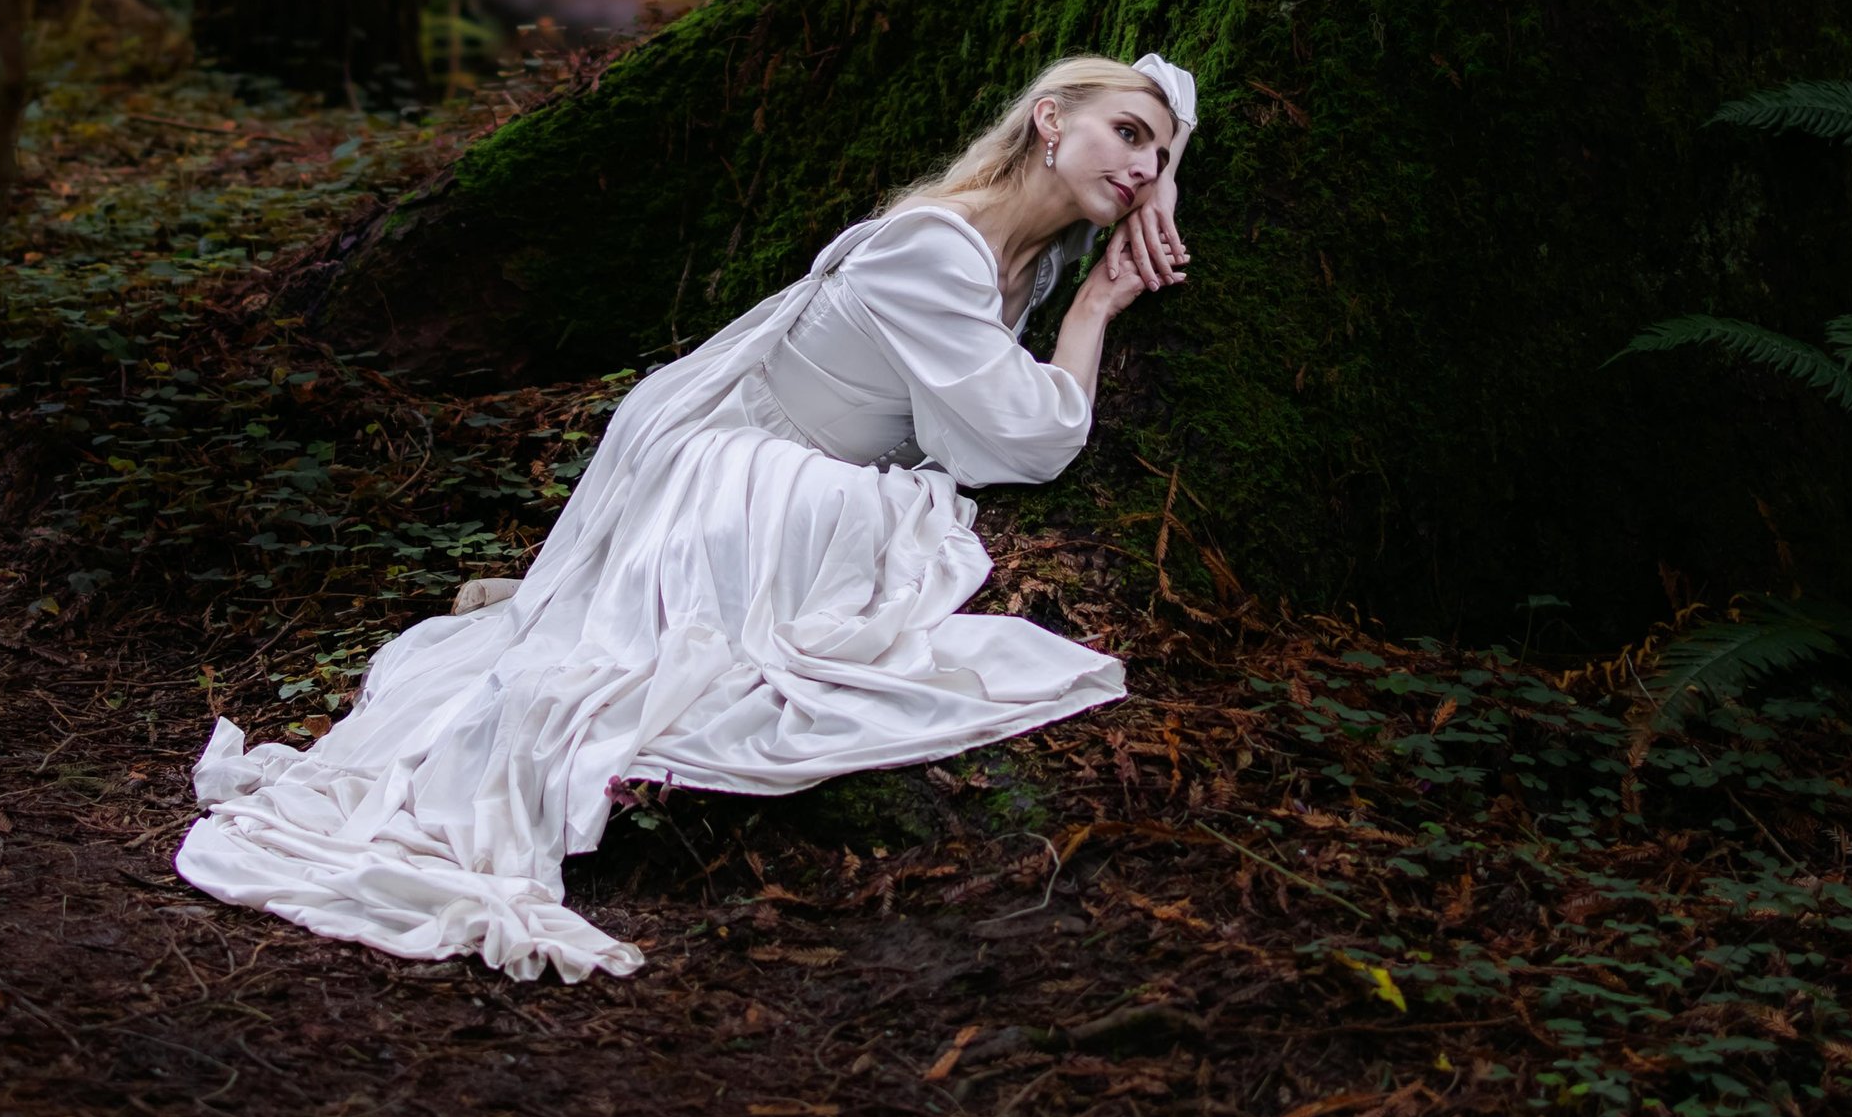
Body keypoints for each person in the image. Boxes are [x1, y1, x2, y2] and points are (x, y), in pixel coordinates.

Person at [175, 51, 1197, 985]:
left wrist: (1169, 175)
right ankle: (576, 604)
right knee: (635, 669)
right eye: (1126, 134)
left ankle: (561, 596)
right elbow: (1034, 438)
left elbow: (1173, 94)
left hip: (790, 457)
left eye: (1158, 151)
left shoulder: (1029, 257)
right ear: (1049, 119)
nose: (1144, 165)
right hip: (739, 469)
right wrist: (1095, 310)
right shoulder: (940, 248)